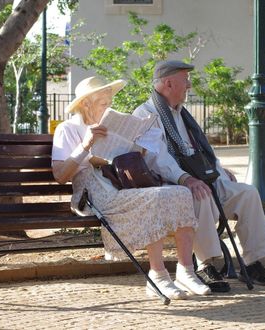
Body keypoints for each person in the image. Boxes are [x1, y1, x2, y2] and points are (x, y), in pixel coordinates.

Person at [51, 76, 211, 300]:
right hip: (93, 192)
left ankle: (186, 271)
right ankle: (158, 275)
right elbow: (60, 175)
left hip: (120, 183)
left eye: (109, 102)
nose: (109, 107)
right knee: (153, 198)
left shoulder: (109, 125)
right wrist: (85, 145)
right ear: (86, 103)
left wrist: (137, 148)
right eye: (103, 103)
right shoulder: (68, 129)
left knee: (181, 193)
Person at [133, 60, 265, 289]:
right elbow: (157, 159)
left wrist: (220, 171)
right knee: (201, 196)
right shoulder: (146, 115)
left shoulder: (182, 114)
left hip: (202, 179)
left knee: (247, 193)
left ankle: (252, 262)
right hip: (175, 184)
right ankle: (206, 264)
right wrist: (186, 178)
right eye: (185, 80)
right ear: (168, 83)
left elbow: (201, 152)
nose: (189, 86)